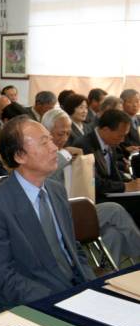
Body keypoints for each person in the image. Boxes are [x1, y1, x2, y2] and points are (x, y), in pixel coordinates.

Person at [0, 115, 95, 312]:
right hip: (33, 304)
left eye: (51, 140)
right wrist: (57, 301)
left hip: (76, 292)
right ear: (19, 156)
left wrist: (90, 284)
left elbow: (73, 248)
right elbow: (1, 277)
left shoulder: (56, 190)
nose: (55, 148)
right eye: (44, 142)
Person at [42, 108, 140, 265]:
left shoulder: (69, 151)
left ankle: (104, 276)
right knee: (115, 210)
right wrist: (64, 155)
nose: (64, 138)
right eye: (60, 134)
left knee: (113, 234)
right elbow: (45, 179)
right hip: (58, 215)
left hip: (77, 206)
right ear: (45, 133)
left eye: (68, 134)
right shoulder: (42, 155)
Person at [119, 89, 140, 153]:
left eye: (137, 101)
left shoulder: (138, 118)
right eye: (130, 102)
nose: (135, 105)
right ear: (122, 103)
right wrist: (125, 149)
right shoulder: (119, 121)